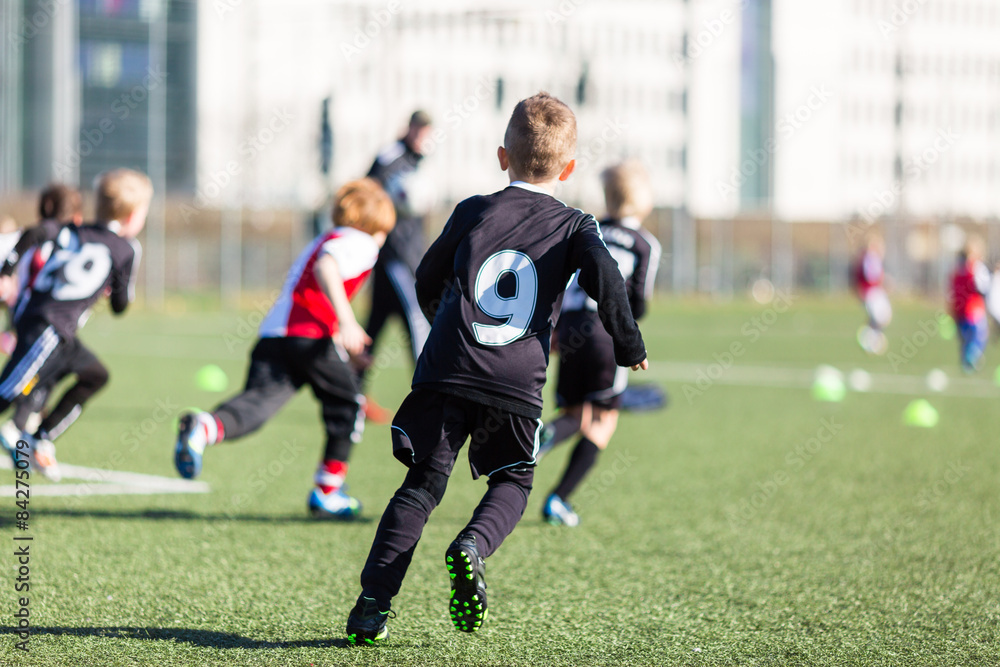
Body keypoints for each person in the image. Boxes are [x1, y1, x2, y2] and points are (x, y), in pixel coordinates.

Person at [345, 92, 649, 645]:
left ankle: (371, 607)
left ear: (502, 156)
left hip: (447, 367)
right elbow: (607, 278)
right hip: (515, 377)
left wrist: (443, 322)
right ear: (570, 167)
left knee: (421, 485)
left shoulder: (473, 210)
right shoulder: (576, 225)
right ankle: (472, 546)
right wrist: (629, 344)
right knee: (514, 477)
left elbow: (425, 278)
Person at [172, 179, 395, 519]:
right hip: (309, 339)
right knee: (349, 404)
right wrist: (347, 321)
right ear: (371, 225)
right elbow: (327, 269)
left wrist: (345, 345)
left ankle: (204, 427)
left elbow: (310, 292)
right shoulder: (360, 241)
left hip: (275, 336)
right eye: (384, 231)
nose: (384, 238)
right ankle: (327, 493)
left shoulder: (324, 238)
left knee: (255, 406)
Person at [0, 169, 149, 480]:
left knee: (95, 375)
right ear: (134, 215)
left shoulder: (74, 231)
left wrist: (8, 268)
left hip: (56, 329)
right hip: (49, 327)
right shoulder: (127, 248)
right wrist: (112, 287)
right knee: (8, 391)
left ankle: (39, 439)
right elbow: (121, 306)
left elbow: (36, 233)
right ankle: (24, 435)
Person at [535, 160, 661, 527]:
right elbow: (637, 301)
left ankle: (545, 437)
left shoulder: (588, 228)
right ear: (643, 199)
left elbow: (567, 282)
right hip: (607, 332)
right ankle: (559, 499)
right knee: (604, 420)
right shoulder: (645, 244)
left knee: (576, 414)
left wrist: (557, 329)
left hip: (572, 326)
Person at [360, 111, 436, 421]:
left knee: (374, 327)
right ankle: (426, 397)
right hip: (394, 257)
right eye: (419, 131)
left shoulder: (421, 161)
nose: (422, 138)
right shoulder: (391, 156)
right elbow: (368, 190)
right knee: (417, 321)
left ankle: (354, 394)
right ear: (410, 128)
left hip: (409, 255)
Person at [0, 184, 85, 449]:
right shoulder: (54, 233)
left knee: (43, 369)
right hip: (37, 317)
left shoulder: (57, 236)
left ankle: (24, 423)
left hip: (35, 316)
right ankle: (20, 425)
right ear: (75, 215)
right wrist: (7, 271)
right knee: (31, 373)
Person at [949, 237, 990, 372]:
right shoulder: (976, 268)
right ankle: (971, 358)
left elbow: (952, 290)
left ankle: (968, 361)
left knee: (966, 338)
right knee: (979, 336)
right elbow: (982, 287)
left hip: (959, 310)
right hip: (973, 309)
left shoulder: (958, 269)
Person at [852, 232, 891, 355]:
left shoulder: (870, 257)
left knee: (882, 318)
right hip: (872, 292)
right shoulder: (870, 258)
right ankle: (868, 338)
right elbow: (872, 276)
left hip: (874, 292)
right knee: (881, 318)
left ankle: (870, 338)